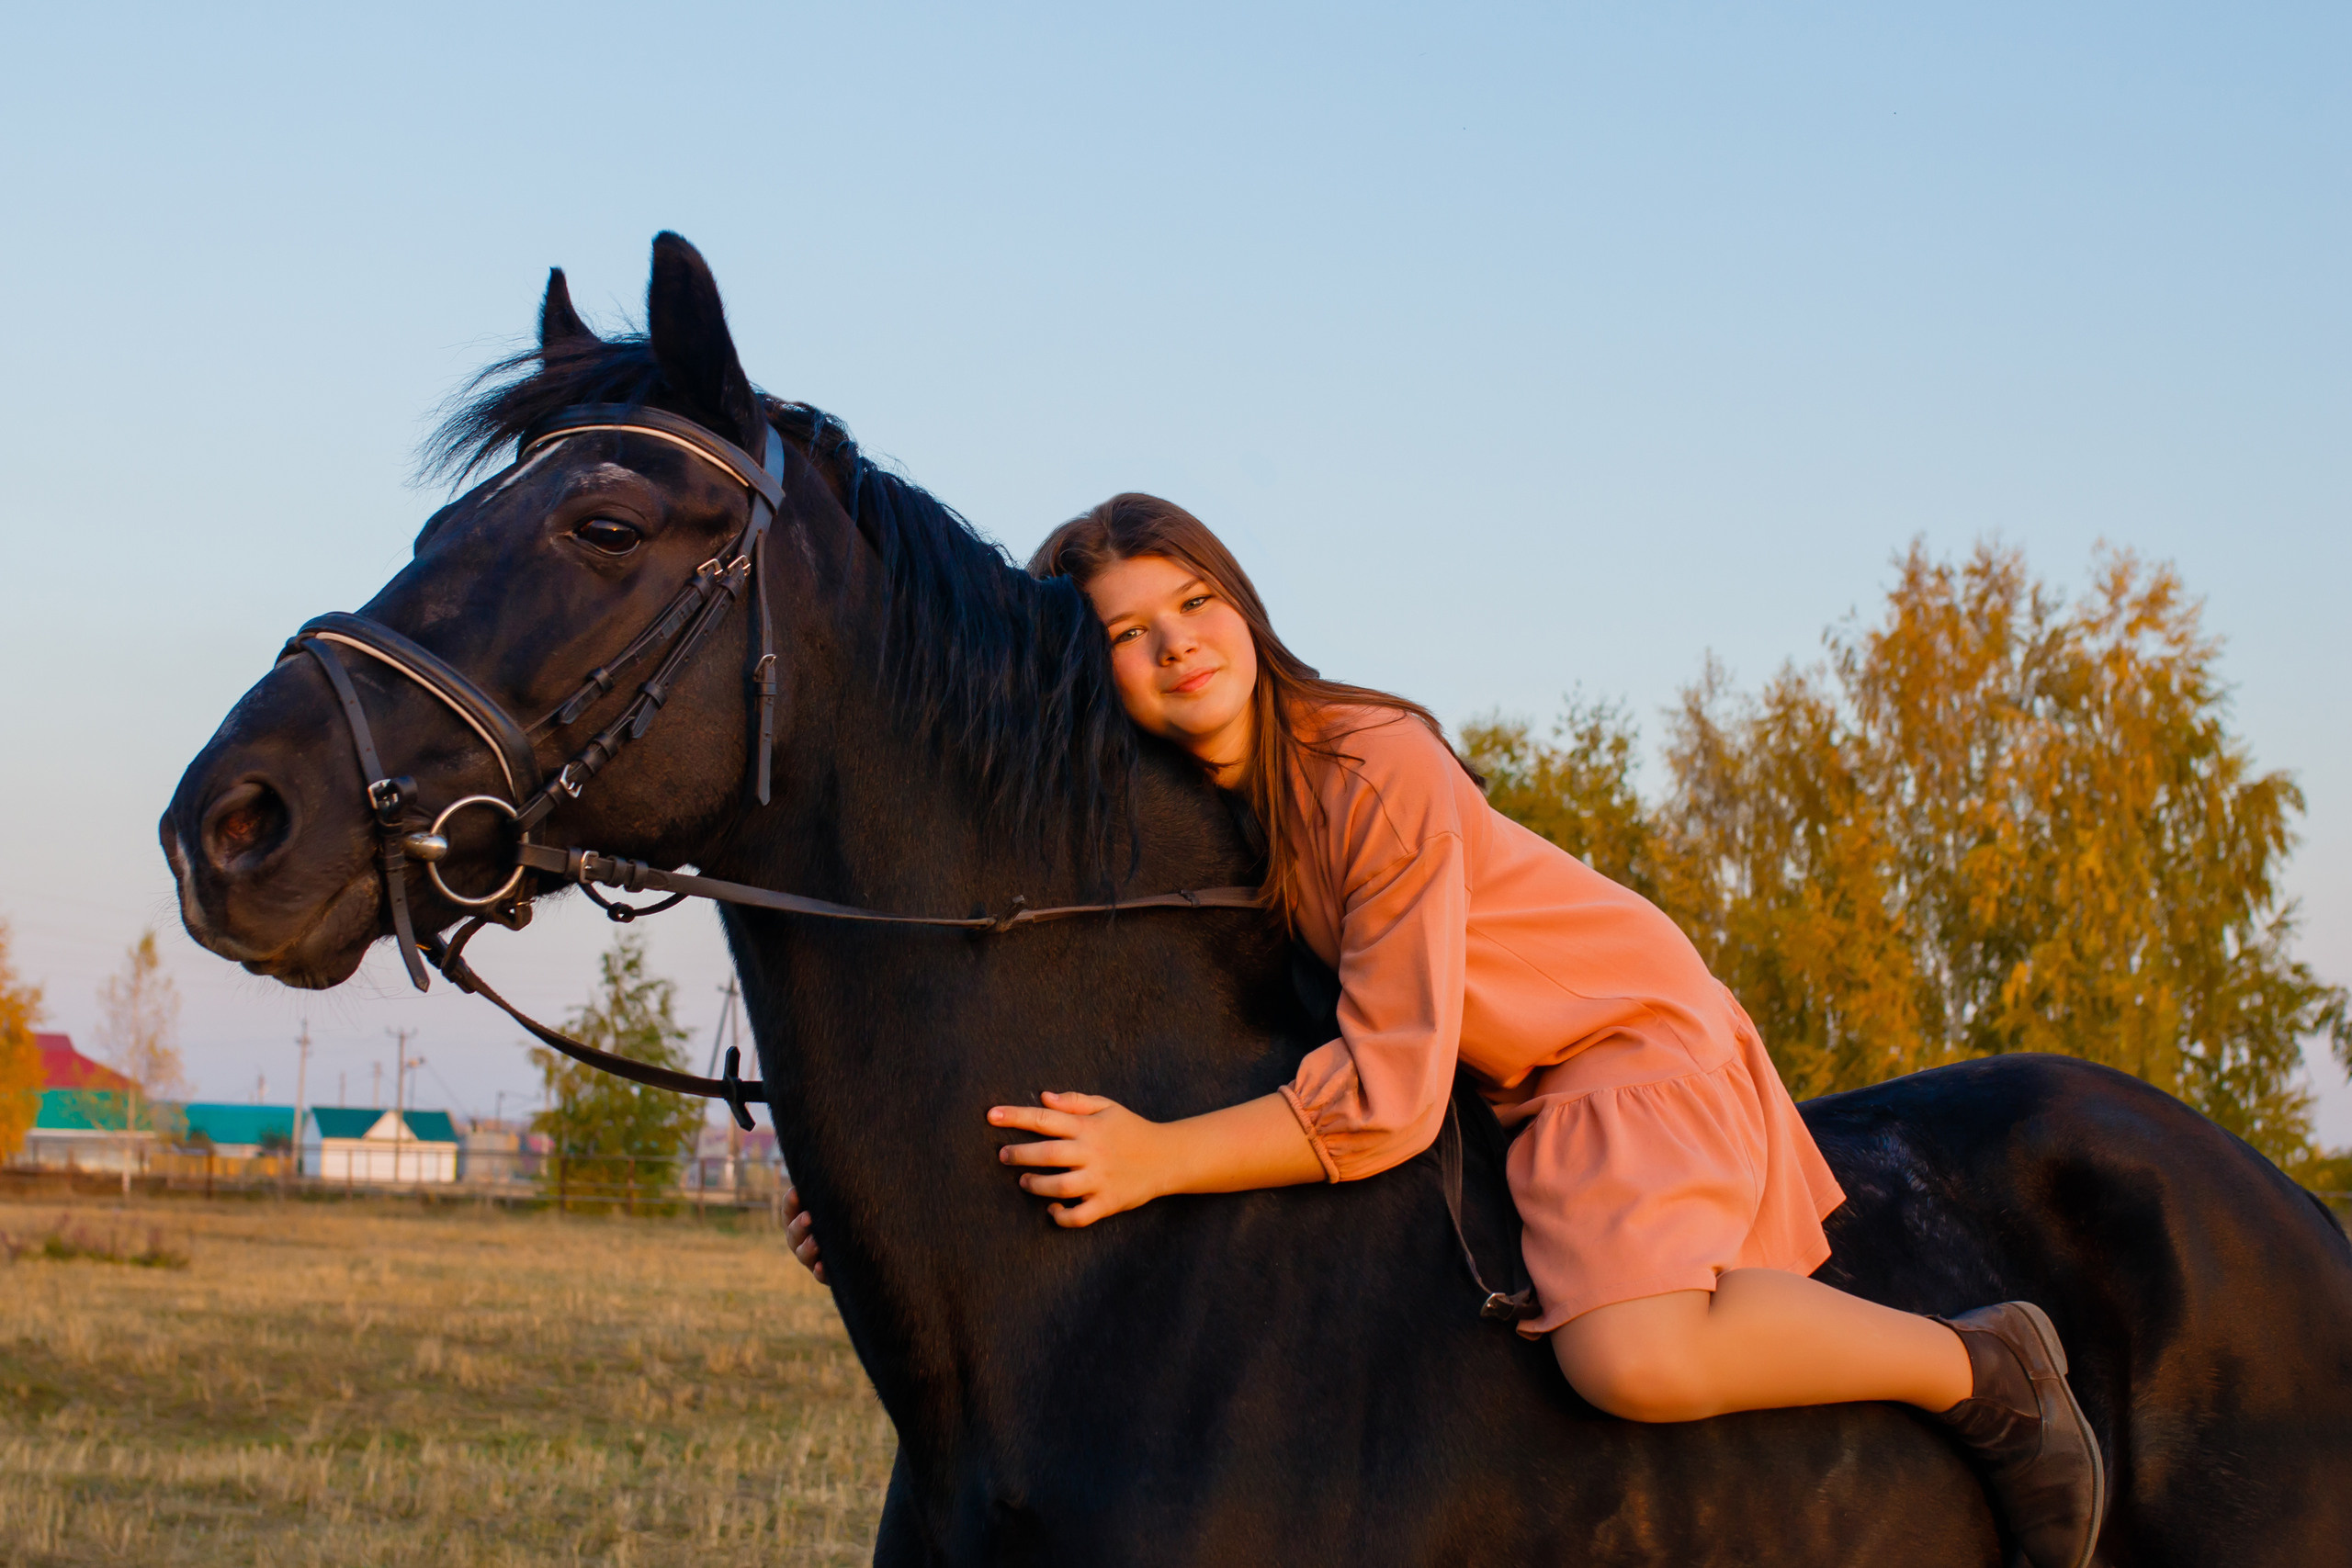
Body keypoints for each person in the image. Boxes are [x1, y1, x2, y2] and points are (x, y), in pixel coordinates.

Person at [784, 493, 2105, 1568]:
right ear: (1095, 671)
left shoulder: (1367, 762)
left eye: (1195, 602)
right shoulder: (1195, 815)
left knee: (1631, 1354)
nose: (1177, 641)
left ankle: (1977, 1363)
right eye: (1129, 633)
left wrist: (1157, 1159)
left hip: (1610, 1040)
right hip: (1502, 1073)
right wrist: (909, 1201)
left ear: (1243, 607)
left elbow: (1386, 1097)